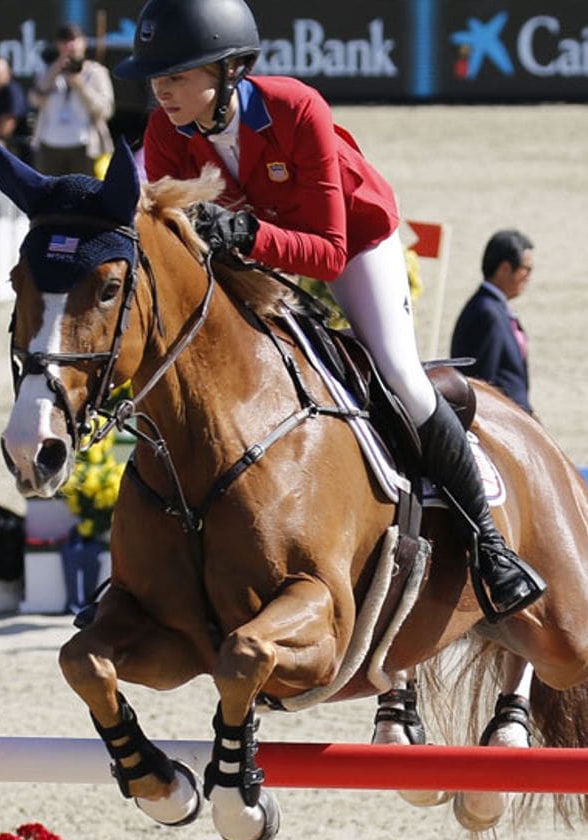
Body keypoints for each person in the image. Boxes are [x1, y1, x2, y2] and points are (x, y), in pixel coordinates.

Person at [117, 0, 544, 621]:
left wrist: (246, 234)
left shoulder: (295, 108)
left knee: (398, 374)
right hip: (255, 258)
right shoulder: (164, 133)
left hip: (353, 243)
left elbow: (328, 250)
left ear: (230, 69)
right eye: (156, 77)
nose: (161, 90)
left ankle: (488, 541)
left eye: (176, 75)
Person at [449, 229, 535, 414]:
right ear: (505, 268)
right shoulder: (486, 312)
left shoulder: (494, 307)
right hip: (502, 421)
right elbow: (482, 383)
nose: (529, 277)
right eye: (526, 269)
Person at [29, 24, 115, 177]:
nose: (70, 45)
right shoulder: (47, 71)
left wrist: (79, 85)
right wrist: (54, 71)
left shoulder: (96, 72)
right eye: (65, 41)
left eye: (74, 40)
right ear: (57, 45)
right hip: (50, 144)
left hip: (84, 146)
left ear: (84, 42)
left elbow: (105, 110)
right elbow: (34, 100)